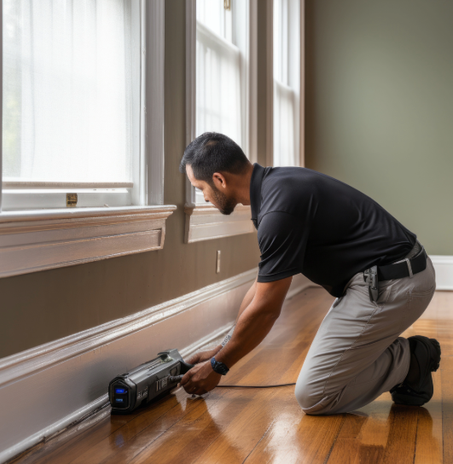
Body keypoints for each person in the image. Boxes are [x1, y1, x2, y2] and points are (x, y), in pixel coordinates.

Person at [179, 132, 440, 414]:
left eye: (200, 188)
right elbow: (261, 287)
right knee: (323, 377)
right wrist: (223, 346)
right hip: (382, 278)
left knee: (315, 394)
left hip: (395, 283)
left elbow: (267, 309)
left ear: (219, 179)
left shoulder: (278, 209)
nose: (204, 198)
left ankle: (412, 360)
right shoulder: (274, 187)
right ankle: (388, 355)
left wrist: (219, 366)